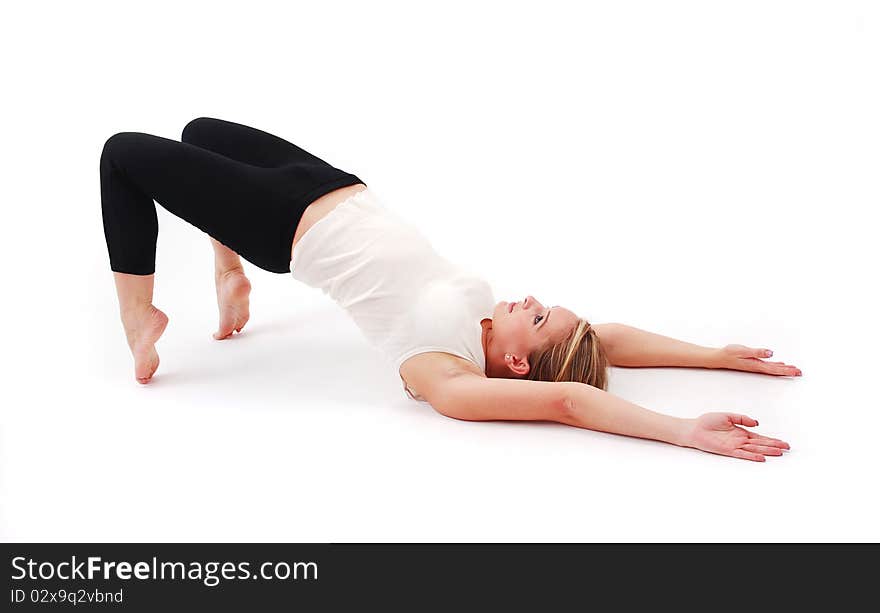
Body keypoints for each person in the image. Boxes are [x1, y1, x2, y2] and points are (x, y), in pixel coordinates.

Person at [99, 117, 801, 462]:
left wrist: (682, 429)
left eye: (541, 315)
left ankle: (140, 319)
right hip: (332, 185)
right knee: (200, 131)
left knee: (122, 155)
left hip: (281, 223)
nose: (530, 299)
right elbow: (605, 341)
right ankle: (228, 274)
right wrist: (715, 354)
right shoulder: (491, 329)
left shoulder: (445, 373)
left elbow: (568, 397)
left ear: (520, 363)